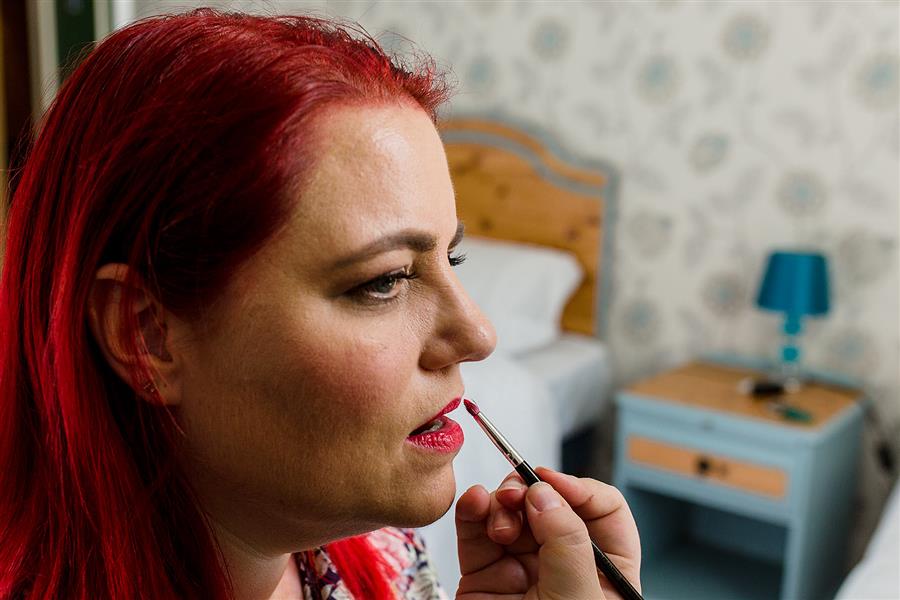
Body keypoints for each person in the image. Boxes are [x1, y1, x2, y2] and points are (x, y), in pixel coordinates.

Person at [0, 9, 640, 600]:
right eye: (385, 280)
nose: (477, 334)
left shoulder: (388, 559)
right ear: (145, 334)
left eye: (455, 258)